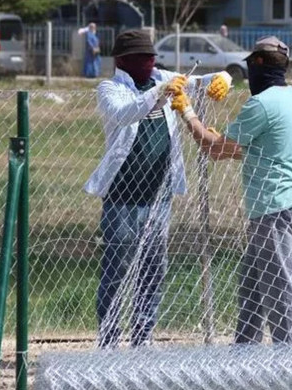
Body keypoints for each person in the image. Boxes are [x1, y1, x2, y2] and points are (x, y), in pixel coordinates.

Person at [84, 29, 232, 348]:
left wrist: (224, 77)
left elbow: (200, 82)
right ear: (123, 61)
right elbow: (125, 114)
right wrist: (160, 92)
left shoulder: (160, 77)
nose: (150, 63)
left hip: (159, 194)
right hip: (123, 196)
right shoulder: (110, 88)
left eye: (152, 58)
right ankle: (108, 340)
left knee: (153, 267)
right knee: (118, 269)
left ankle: (143, 336)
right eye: (143, 58)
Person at [171, 36, 292, 345]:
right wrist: (218, 140)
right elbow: (253, 150)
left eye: (251, 64)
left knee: (280, 291)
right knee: (251, 286)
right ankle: (244, 355)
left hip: (271, 209)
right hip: (290, 203)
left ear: (259, 64)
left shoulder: (262, 104)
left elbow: (217, 152)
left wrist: (189, 114)